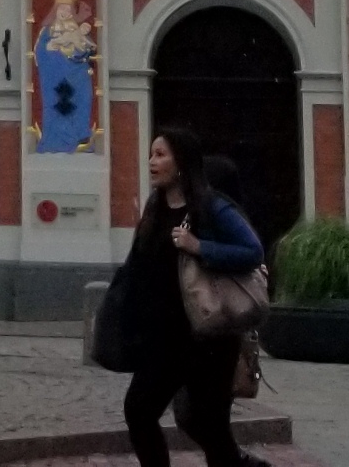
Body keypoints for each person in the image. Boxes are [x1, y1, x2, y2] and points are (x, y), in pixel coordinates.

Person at [111, 128, 265, 467]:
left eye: (161, 154)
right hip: (164, 339)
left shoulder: (212, 206)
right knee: (138, 410)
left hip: (207, 337)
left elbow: (252, 251)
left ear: (181, 163)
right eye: (151, 154)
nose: (152, 162)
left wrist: (199, 247)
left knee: (209, 427)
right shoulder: (155, 207)